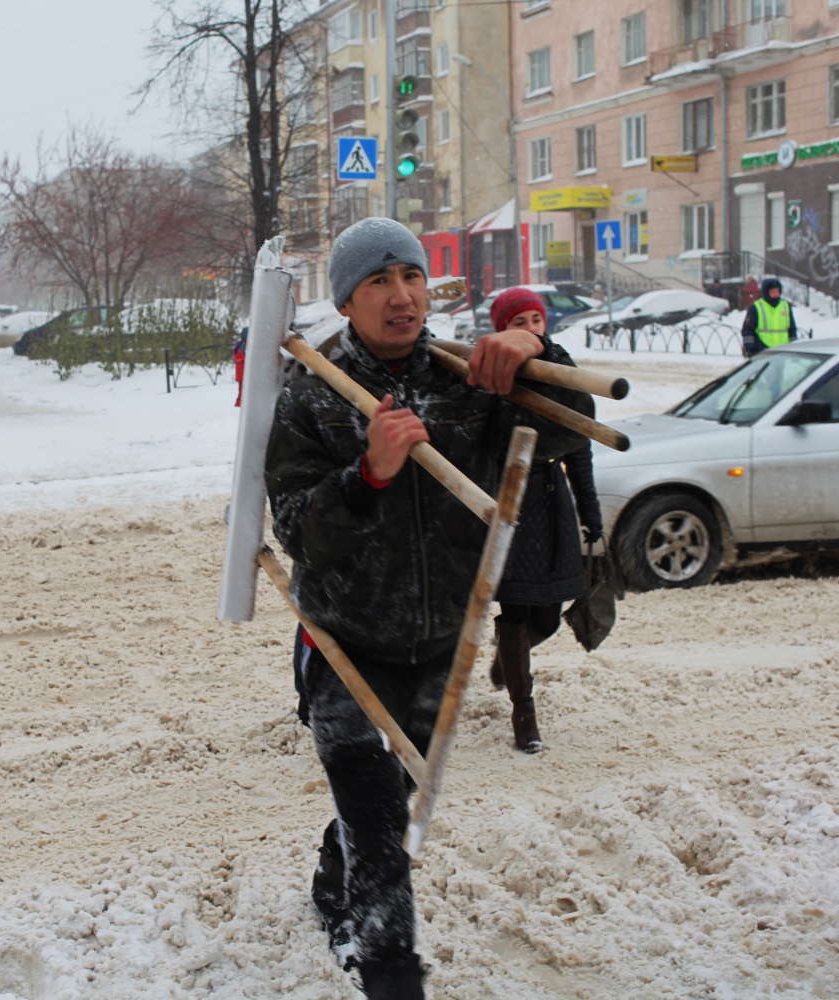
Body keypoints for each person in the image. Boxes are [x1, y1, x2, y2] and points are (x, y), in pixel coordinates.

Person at [266, 217, 585, 999]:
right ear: (346, 301)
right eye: (378, 282)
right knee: (379, 815)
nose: (402, 296)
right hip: (342, 639)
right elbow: (300, 529)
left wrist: (541, 353)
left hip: (443, 635)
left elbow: (563, 438)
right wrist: (367, 474)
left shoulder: (469, 378)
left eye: (410, 275)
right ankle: (389, 971)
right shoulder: (312, 394)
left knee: (394, 795)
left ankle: (331, 874)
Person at [483, 286, 601, 753]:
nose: (531, 329)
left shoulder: (560, 367)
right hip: (510, 504)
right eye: (519, 323)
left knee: (549, 618)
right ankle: (523, 717)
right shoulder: (488, 373)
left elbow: (582, 441)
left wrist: (590, 513)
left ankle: (509, 655)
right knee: (515, 609)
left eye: (536, 319)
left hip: (552, 505)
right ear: (500, 332)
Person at [740, 277, 797, 358]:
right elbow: (748, 329)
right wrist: (750, 348)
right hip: (762, 349)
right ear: (766, 292)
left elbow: (792, 328)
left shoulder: (785, 306)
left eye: (777, 291)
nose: (775, 294)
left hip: (783, 349)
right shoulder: (756, 307)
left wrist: (794, 345)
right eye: (772, 292)